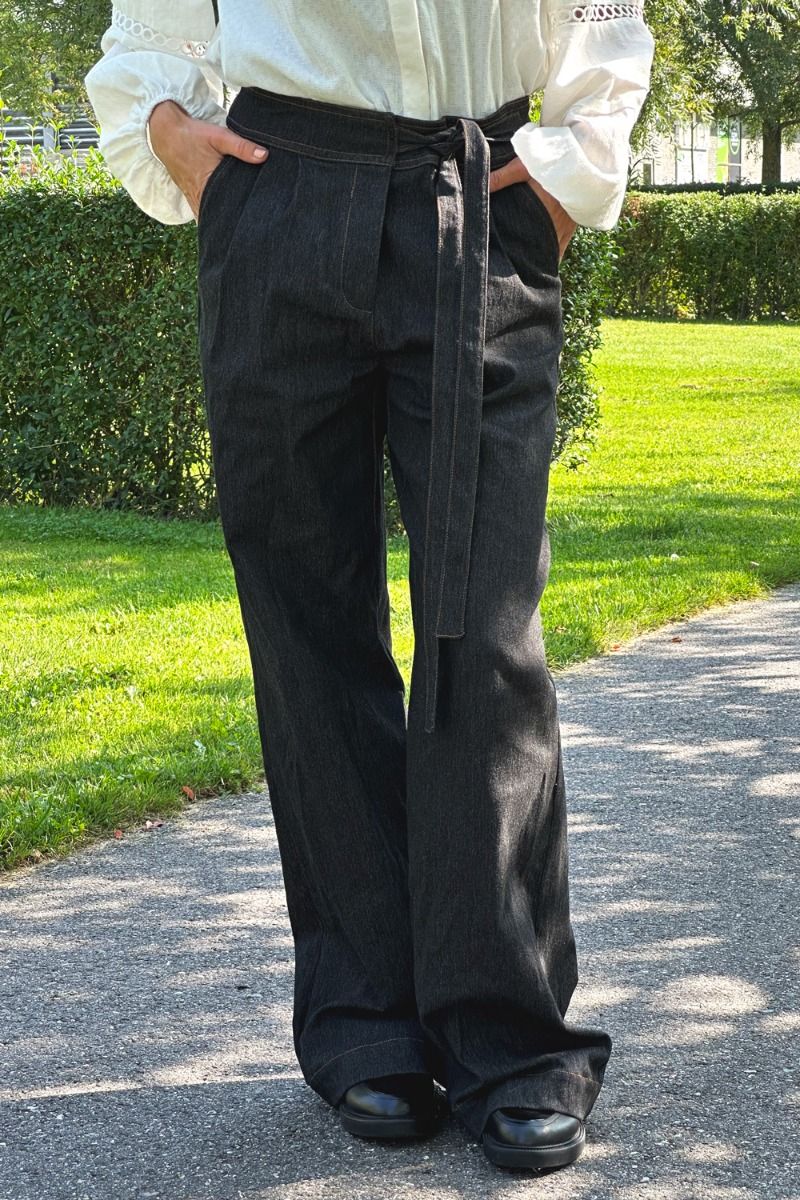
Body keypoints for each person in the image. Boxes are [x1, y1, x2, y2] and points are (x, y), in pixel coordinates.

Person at [84, 0, 654, 1174]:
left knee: (483, 629)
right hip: (276, 189)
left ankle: (509, 1039)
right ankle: (365, 1021)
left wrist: (562, 175)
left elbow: (606, 20)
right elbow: (153, 24)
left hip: (479, 193)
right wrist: (164, 127)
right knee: (307, 623)